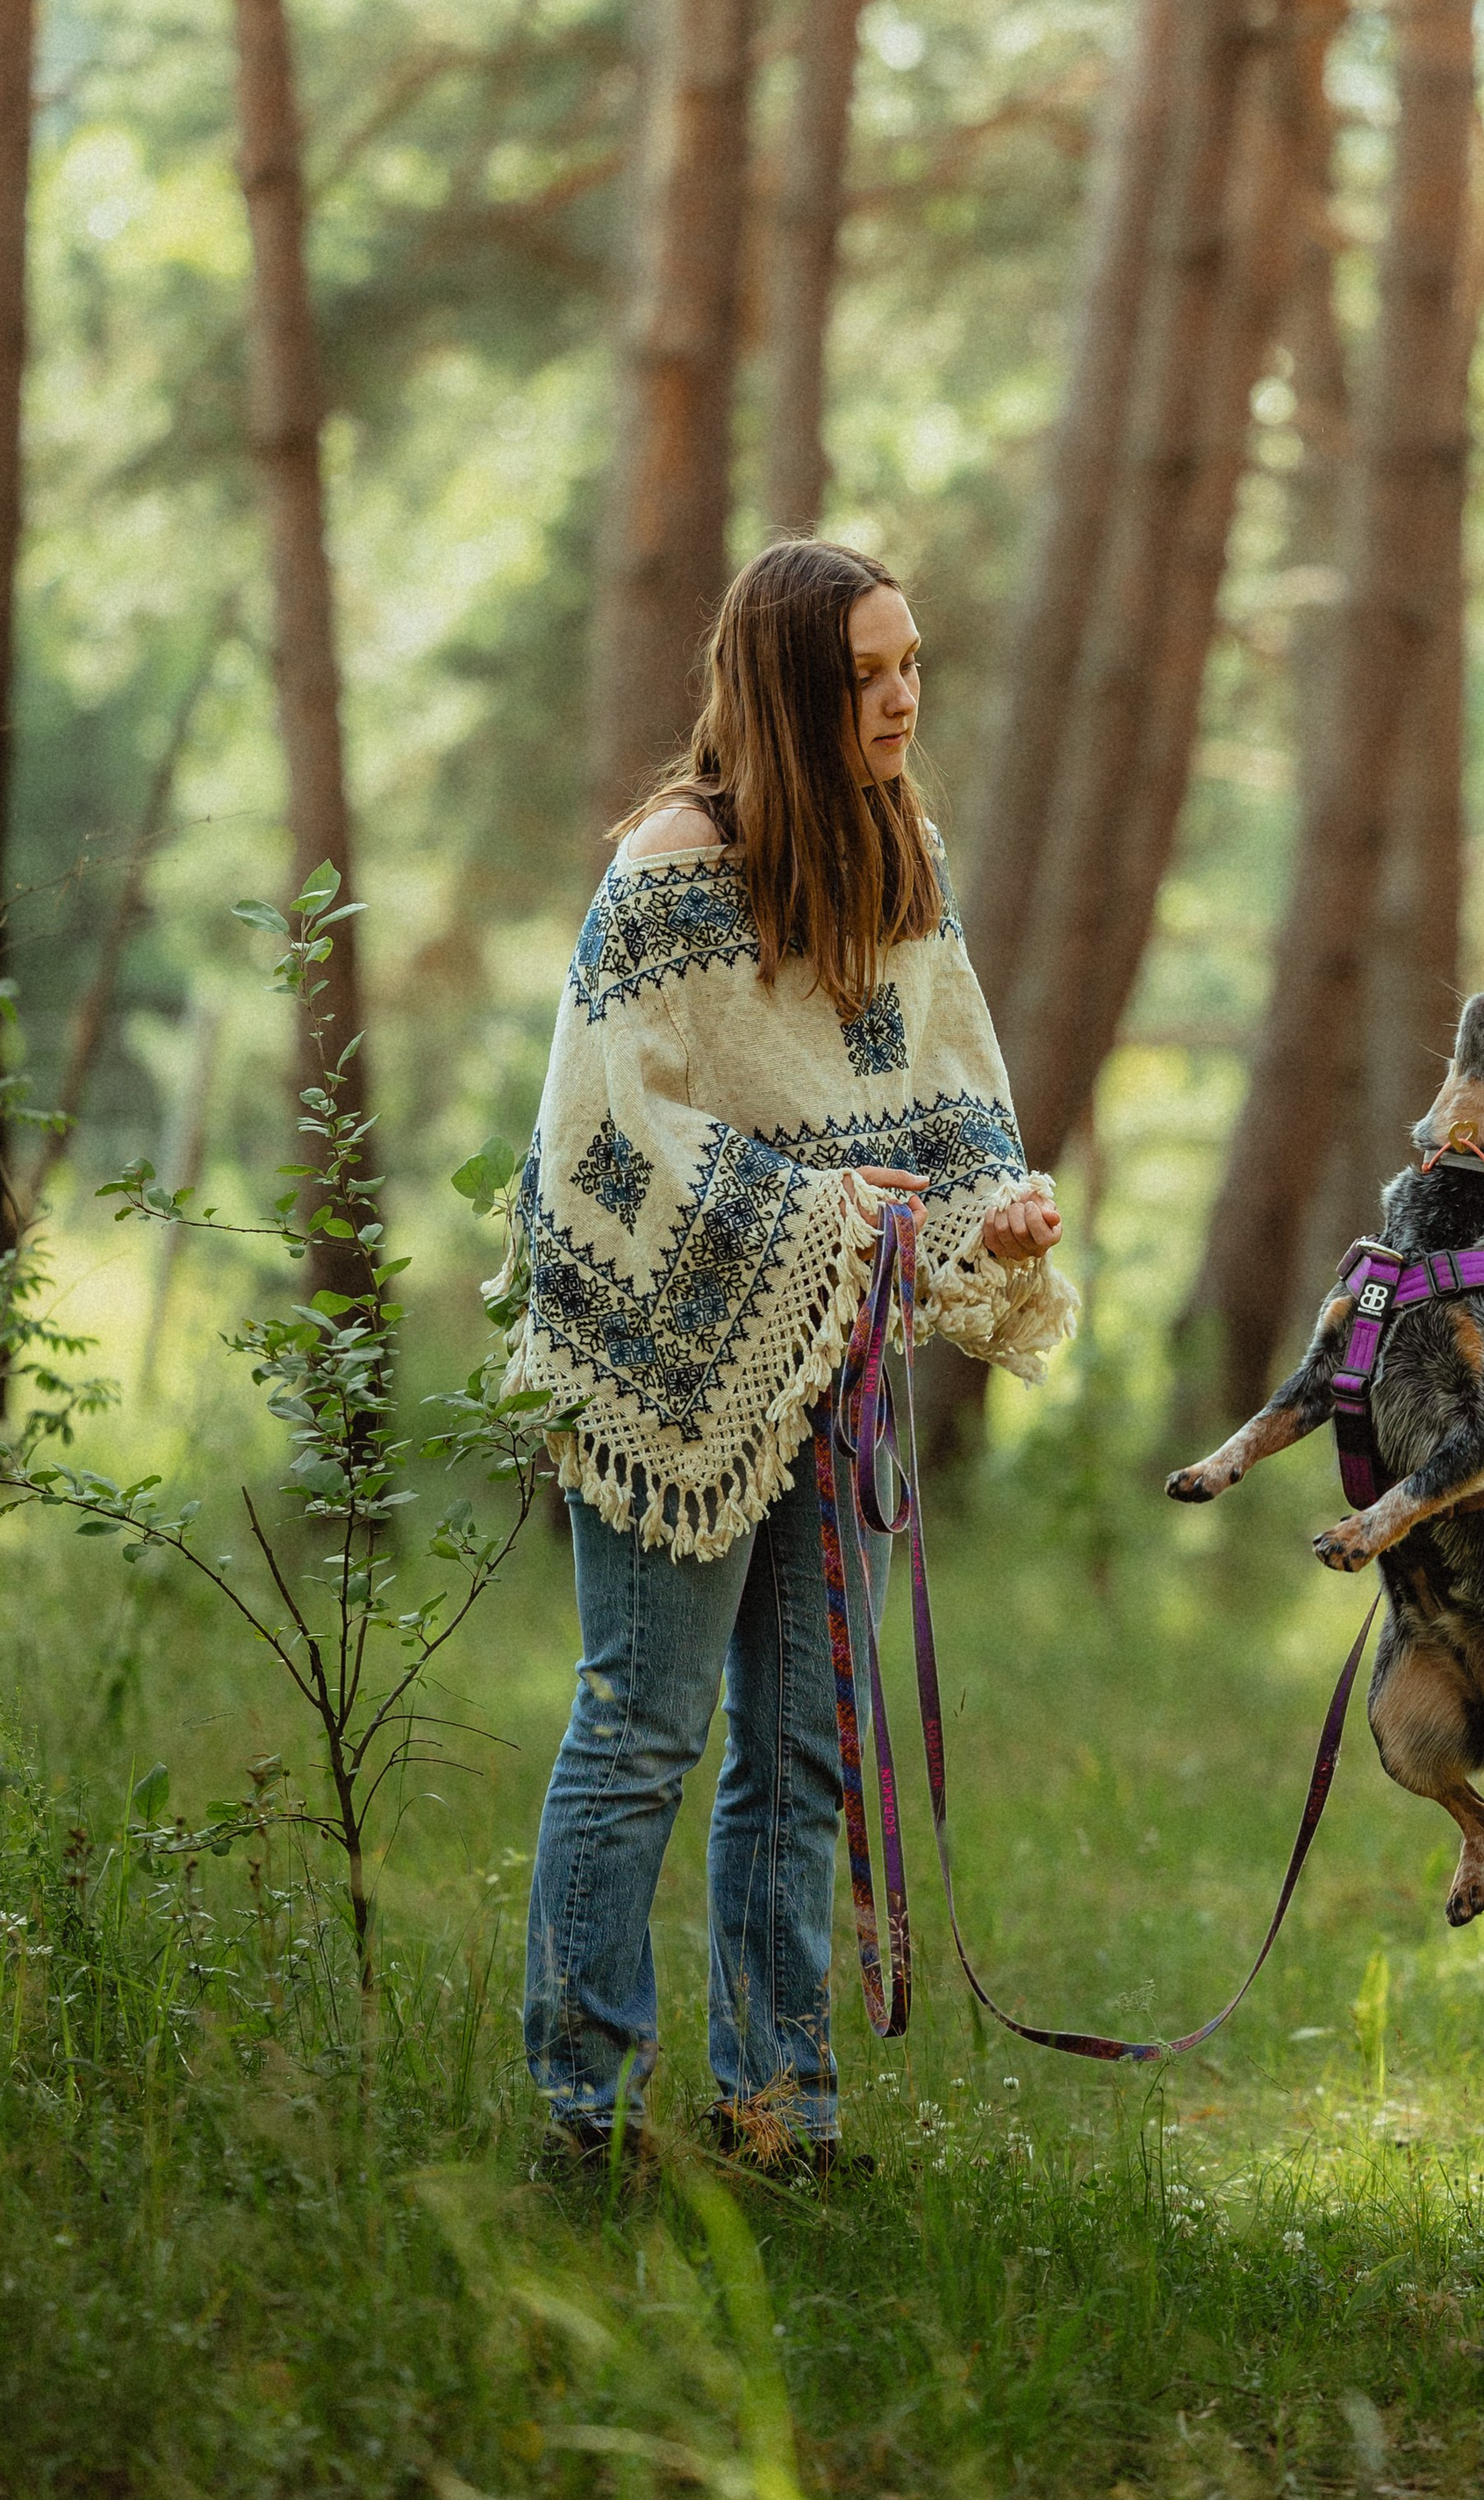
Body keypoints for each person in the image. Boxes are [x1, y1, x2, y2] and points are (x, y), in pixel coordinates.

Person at [505, 539, 1074, 2176]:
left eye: (912, 665)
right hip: (669, 1351)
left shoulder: (900, 856)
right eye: (865, 675)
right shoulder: (668, 870)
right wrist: (819, 1207)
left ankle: (778, 2109)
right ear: (784, 686)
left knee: (807, 1746)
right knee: (642, 1729)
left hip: (837, 1350)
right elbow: (604, 1140)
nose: (902, 701)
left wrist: (992, 1212)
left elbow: (945, 1100)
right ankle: (585, 2115)